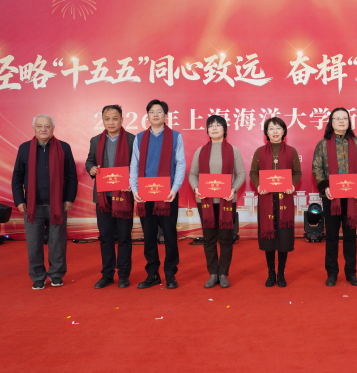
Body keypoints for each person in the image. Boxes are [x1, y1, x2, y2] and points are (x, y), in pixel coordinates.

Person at [11, 115, 78, 289]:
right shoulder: (25, 148)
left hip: (58, 204)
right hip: (32, 206)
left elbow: (71, 175)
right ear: (33, 128)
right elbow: (17, 177)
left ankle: (56, 274)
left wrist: (69, 199)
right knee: (34, 244)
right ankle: (38, 276)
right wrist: (19, 200)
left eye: (47, 126)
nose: (43, 129)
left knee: (57, 243)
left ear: (53, 128)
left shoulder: (63, 147)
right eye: (39, 126)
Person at [130, 99, 185, 289]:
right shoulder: (139, 138)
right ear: (147, 115)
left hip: (167, 194)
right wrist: (135, 190)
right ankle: (152, 274)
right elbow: (134, 165)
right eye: (152, 111)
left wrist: (174, 189)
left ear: (165, 115)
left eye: (159, 111)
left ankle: (170, 274)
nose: (155, 115)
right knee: (149, 237)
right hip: (145, 195)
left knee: (170, 236)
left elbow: (180, 164)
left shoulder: (175, 136)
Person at [312, 108, 357, 287]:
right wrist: (325, 187)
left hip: (352, 197)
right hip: (331, 197)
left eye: (344, 118)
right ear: (331, 122)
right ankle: (332, 273)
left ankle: (351, 273)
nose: (341, 121)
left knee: (350, 236)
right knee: (331, 236)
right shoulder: (323, 144)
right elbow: (317, 168)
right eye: (337, 118)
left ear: (349, 121)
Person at [188, 115, 246, 289]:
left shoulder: (233, 150)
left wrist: (233, 189)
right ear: (207, 130)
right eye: (211, 125)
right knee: (209, 238)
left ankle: (223, 273)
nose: (214, 128)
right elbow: (192, 174)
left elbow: (241, 174)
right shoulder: (200, 151)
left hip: (226, 200)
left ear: (224, 129)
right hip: (205, 201)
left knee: (226, 238)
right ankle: (213, 273)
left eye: (218, 125)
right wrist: (196, 188)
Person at [85, 105, 135, 289]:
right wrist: (91, 168)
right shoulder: (95, 141)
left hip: (124, 195)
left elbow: (138, 165)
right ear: (103, 120)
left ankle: (123, 275)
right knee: (105, 237)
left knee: (124, 237)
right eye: (107, 119)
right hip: (103, 197)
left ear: (121, 119)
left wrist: (133, 181)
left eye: (115, 118)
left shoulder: (132, 140)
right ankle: (107, 275)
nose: (111, 122)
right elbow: (90, 160)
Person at [250, 117, 302, 287]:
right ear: (266, 132)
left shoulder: (291, 151)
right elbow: (253, 173)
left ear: (284, 131)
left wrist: (292, 185)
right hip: (266, 199)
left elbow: (297, 173)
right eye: (271, 128)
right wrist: (259, 185)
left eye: (278, 128)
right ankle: (271, 273)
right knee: (269, 238)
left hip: (284, 199)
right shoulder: (259, 152)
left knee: (283, 237)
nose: (275, 131)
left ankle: (281, 273)